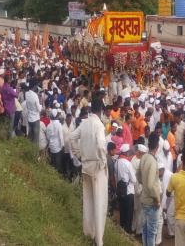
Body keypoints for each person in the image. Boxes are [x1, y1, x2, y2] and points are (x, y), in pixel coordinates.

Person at [69, 98, 108, 246]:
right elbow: (101, 144)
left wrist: (78, 154)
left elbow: (71, 137)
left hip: (86, 166)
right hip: (97, 168)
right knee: (99, 204)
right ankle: (98, 241)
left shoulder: (84, 123)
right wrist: (103, 161)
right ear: (101, 110)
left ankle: (89, 233)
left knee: (89, 202)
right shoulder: (99, 125)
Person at [137, 132, 161, 246]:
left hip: (144, 198)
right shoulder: (152, 161)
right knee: (151, 232)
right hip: (151, 202)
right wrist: (156, 199)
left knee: (145, 230)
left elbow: (138, 175)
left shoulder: (144, 157)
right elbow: (151, 185)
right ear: (157, 146)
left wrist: (145, 184)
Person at [115, 143, 137, 234]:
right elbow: (134, 180)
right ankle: (127, 232)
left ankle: (122, 229)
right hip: (128, 191)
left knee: (122, 211)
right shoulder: (128, 164)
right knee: (129, 213)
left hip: (120, 190)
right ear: (126, 152)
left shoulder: (117, 162)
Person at [46, 110, 64, 174]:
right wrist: (62, 146)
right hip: (58, 147)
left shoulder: (48, 125)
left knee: (53, 163)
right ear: (56, 115)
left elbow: (47, 137)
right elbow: (61, 137)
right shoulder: (59, 125)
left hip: (51, 147)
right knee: (58, 164)